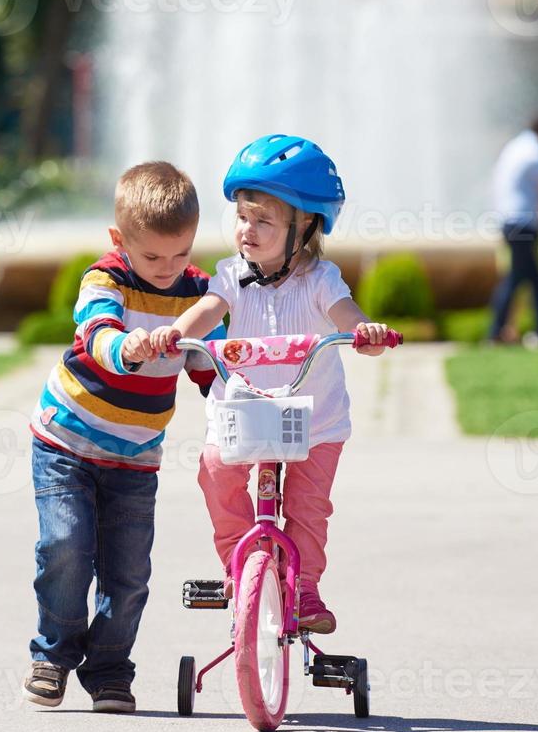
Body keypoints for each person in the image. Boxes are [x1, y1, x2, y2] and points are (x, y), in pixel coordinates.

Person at [147, 134, 394, 635]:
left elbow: (348, 317)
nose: (248, 230)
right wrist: (176, 334)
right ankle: (242, 567)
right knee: (216, 472)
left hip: (315, 422)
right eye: (242, 217)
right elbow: (206, 311)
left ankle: (304, 590)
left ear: (304, 227)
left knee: (308, 509)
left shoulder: (322, 280)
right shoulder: (230, 277)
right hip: (244, 415)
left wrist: (364, 333)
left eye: (264, 220)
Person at [23, 161, 224, 714]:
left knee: (129, 573)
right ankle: (53, 655)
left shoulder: (199, 295)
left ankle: (110, 668)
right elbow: (97, 332)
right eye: (153, 256)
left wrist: (237, 395)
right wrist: (127, 348)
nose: (168, 268)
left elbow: (213, 365)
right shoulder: (104, 278)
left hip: (135, 458)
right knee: (66, 547)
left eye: (180, 253)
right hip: (67, 443)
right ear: (120, 240)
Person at [487, 115, 538, 344]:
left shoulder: (515, 147)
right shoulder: (534, 151)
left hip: (509, 220)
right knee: (517, 278)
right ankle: (496, 331)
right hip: (522, 222)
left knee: (530, 278)